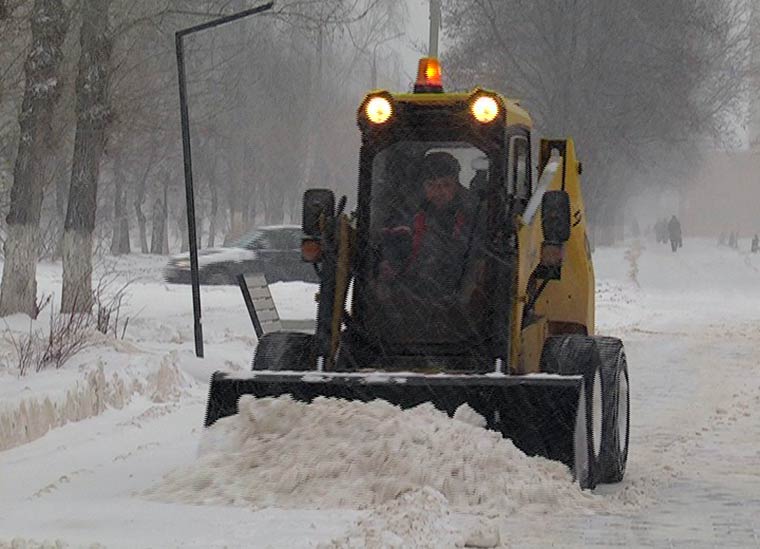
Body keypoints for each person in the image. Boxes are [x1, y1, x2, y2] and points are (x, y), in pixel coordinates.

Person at [379, 151, 476, 296]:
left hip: (459, 296)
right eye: (431, 185)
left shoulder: (474, 216)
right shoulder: (408, 215)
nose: (439, 192)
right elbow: (393, 246)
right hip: (410, 295)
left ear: (456, 185)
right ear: (423, 187)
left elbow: (478, 260)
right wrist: (389, 264)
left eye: (446, 185)